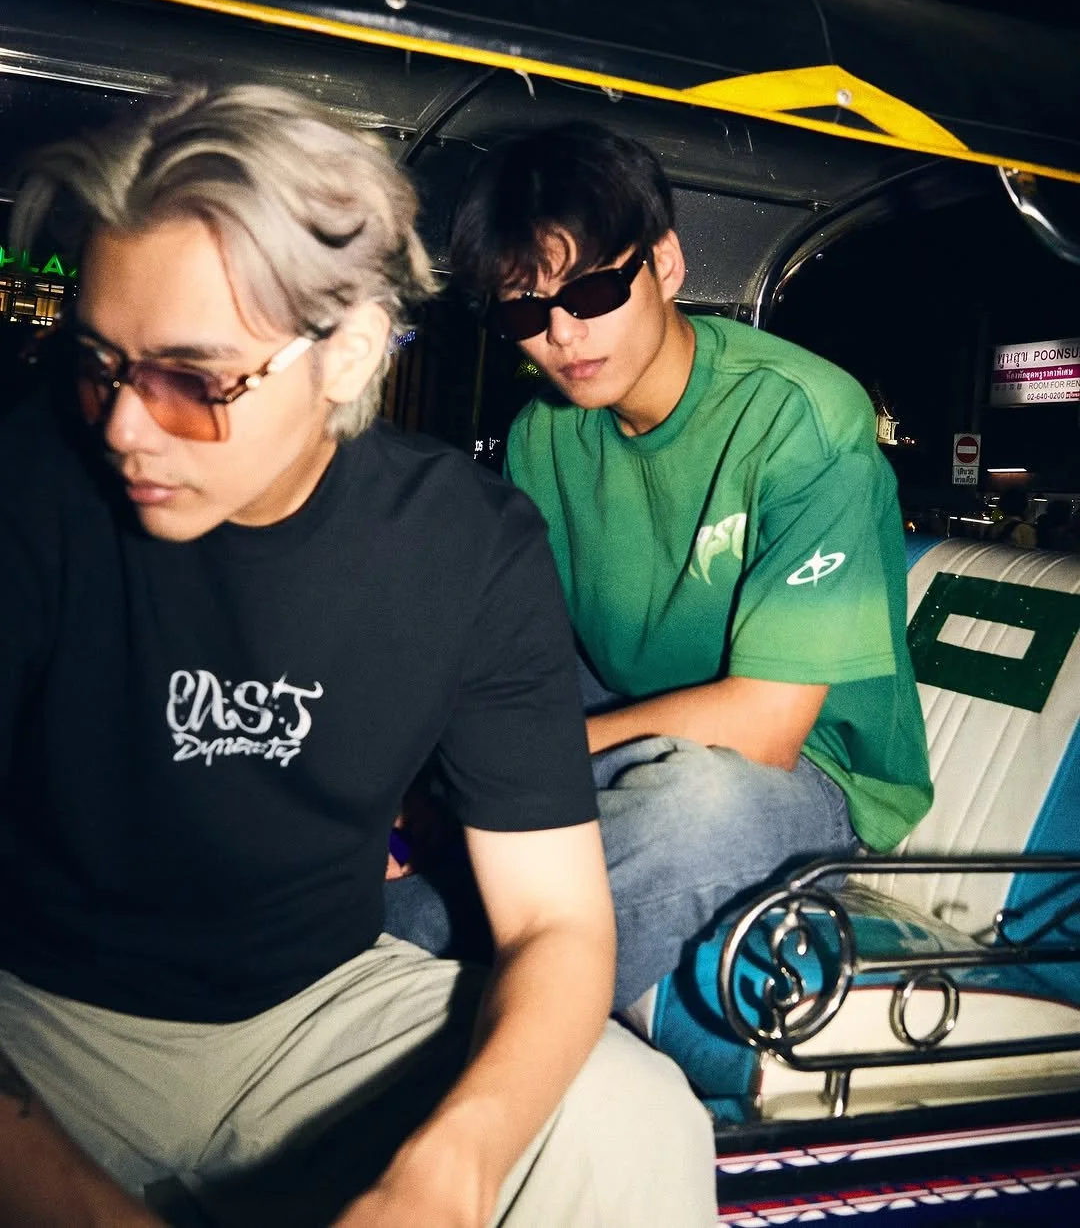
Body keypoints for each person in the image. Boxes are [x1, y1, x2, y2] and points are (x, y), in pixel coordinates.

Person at [0, 87, 715, 1228]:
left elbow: (557, 924)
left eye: (194, 376)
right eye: (100, 362)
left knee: (635, 1124)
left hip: (314, 1011)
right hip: (40, 1015)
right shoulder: (30, 486)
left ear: (349, 352)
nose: (124, 426)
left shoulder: (468, 542)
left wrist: (457, 1160)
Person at [434, 120, 933, 1012]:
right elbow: (525, 650)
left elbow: (769, 723)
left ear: (664, 265)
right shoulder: (543, 434)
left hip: (808, 776)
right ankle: (355, 961)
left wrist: (515, 758)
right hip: (622, 717)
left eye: (589, 290)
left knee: (701, 806)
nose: (561, 336)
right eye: (522, 312)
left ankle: (443, 1017)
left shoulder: (802, 421)